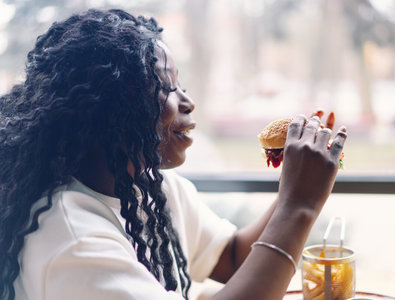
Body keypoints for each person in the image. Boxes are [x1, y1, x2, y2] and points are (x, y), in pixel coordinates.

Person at [0, 8, 347, 300]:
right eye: (166, 87)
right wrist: (298, 205)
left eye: (181, 85)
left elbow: (235, 257)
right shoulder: (73, 241)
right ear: (110, 110)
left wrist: (297, 186)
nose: (187, 101)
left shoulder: (152, 188)